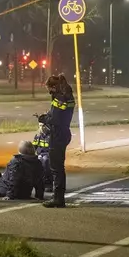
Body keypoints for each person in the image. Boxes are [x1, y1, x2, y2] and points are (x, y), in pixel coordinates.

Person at [38, 74, 75, 208]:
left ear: (54, 87)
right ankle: (58, 197)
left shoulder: (60, 98)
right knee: (59, 167)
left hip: (58, 134)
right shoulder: (67, 96)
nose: (48, 91)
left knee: (56, 169)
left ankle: (58, 198)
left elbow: (55, 119)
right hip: (64, 132)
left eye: (49, 88)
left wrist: (43, 119)